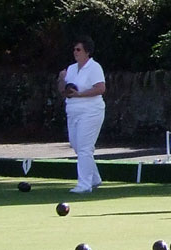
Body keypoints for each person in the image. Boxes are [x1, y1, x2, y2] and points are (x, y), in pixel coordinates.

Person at [57, 36, 106, 194]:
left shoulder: (94, 67)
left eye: (78, 49)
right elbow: (63, 91)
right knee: (77, 145)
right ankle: (95, 178)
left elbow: (100, 88)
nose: (75, 52)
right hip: (73, 111)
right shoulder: (71, 69)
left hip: (91, 112)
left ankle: (84, 185)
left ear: (87, 52)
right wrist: (61, 79)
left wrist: (80, 94)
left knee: (85, 148)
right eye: (74, 49)